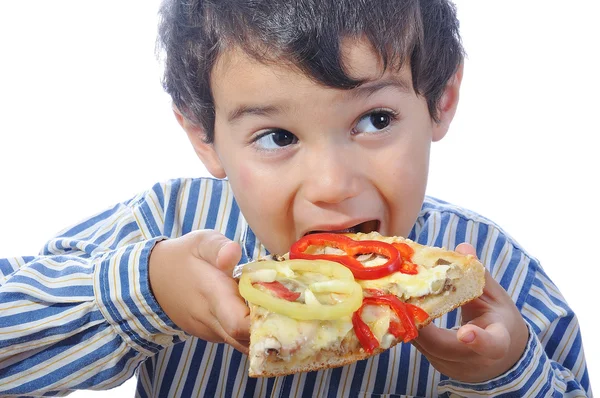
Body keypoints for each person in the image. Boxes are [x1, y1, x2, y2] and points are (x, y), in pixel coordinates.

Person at [0, 0, 592, 396]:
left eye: (375, 119)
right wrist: (147, 294)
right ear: (204, 138)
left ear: (440, 100)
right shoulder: (169, 226)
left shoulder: (497, 274)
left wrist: (506, 375)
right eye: (277, 137)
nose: (333, 184)